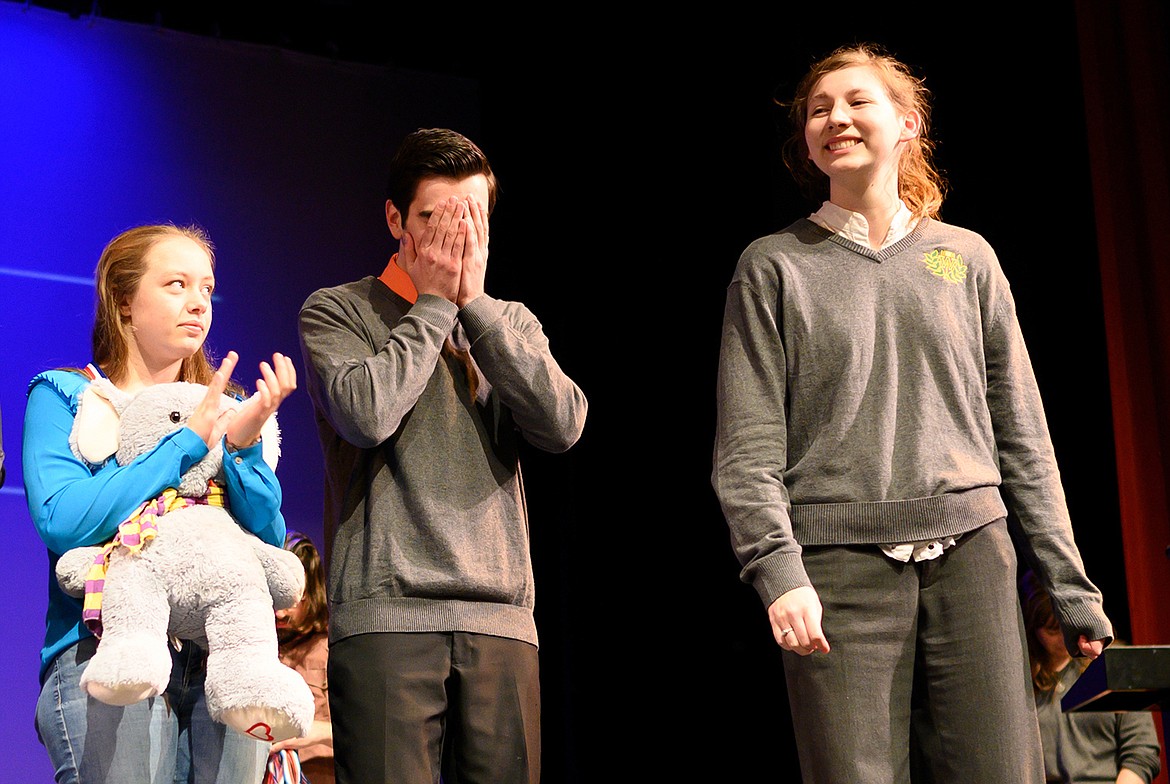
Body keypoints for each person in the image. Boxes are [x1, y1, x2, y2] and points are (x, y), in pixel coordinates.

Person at [711, 43, 1114, 784]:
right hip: (837, 573)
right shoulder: (774, 265)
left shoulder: (965, 258)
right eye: (819, 108)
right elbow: (746, 451)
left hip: (974, 563)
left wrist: (1068, 585)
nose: (836, 117)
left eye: (857, 101)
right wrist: (779, 569)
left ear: (908, 124)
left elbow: (1023, 435)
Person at [297, 127, 588, 784]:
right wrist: (432, 304)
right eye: (435, 218)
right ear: (396, 219)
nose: (455, 237)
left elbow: (562, 423)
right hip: (385, 621)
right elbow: (366, 414)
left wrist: (475, 307)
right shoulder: (338, 311)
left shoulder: (508, 320)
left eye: (473, 219)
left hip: (500, 621)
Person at [23, 223, 298, 784]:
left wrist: (241, 448)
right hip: (108, 651)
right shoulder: (66, 395)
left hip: (220, 657)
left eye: (206, 287)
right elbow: (65, 520)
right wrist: (188, 443)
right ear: (125, 304)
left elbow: (265, 543)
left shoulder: (230, 409)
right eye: (176, 284)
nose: (198, 302)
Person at [1021, 570, 1162, 784]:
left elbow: (1141, 753)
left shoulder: (1116, 666)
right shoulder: (1022, 681)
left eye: (1067, 627)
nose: (1063, 638)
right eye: (1052, 630)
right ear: (1033, 628)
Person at [266, 531, 334, 784]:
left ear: (313, 590)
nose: (281, 612)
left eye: (294, 598)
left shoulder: (332, 647)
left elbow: (372, 735)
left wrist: (313, 732)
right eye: (274, 597)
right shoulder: (259, 648)